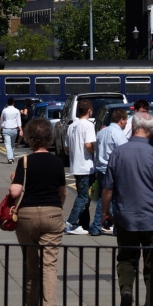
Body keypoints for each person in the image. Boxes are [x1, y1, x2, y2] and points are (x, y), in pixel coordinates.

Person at [101, 112, 153, 306]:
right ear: (151, 131)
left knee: (126, 260)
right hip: (152, 219)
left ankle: (126, 290)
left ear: (132, 127)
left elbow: (107, 188)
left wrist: (106, 212)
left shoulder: (118, 154)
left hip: (125, 219)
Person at [9, 117, 66, 306]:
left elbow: (14, 191)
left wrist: (13, 179)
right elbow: (62, 192)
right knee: (49, 264)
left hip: (26, 216)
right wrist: (58, 208)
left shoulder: (24, 162)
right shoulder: (57, 162)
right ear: (49, 138)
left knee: (31, 263)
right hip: (52, 213)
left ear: (31, 138)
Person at [90, 107, 128, 236]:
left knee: (103, 198)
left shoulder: (101, 132)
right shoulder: (118, 134)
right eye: (126, 121)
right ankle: (116, 228)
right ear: (121, 120)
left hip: (101, 169)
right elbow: (124, 154)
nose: (126, 123)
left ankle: (96, 226)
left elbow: (96, 152)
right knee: (117, 198)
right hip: (113, 170)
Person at [64, 99, 96, 235]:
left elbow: (66, 147)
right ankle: (71, 223)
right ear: (89, 111)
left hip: (76, 165)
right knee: (83, 197)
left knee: (85, 196)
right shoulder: (88, 125)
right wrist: (96, 153)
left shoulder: (72, 126)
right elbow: (89, 145)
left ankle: (84, 223)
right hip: (86, 165)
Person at [0, 97, 23, 164]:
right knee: (12, 144)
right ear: (13, 102)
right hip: (14, 129)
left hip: (6, 128)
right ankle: (11, 157)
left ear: (7, 103)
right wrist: (20, 129)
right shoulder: (17, 110)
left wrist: (1, 126)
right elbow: (19, 121)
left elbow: (2, 119)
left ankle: (10, 158)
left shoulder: (4, 110)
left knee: (7, 144)